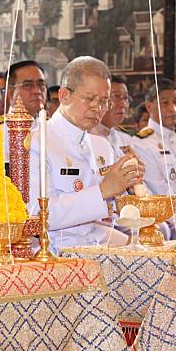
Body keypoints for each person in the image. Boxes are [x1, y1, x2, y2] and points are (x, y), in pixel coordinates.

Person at [28, 56, 144, 254]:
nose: (97, 108)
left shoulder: (101, 146)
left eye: (104, 101)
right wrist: (103, 191)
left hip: (98, 237)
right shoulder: (37, 142)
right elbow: (38, 215)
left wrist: (129, 186)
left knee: (150, 255)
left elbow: (112, 212)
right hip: (54, 247)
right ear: (64, 95)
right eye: (90, 99)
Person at [130, 78, 176, 212]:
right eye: (165, 103)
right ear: (149, 107)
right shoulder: (142, 143)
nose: (172, 108)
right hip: (169, 217)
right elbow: (156, 189)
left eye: (175, 101)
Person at [89, 75, 134, 160]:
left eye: (125, 98)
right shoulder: (84, 138)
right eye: (116, 96)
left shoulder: (125, 139)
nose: (123, 104)